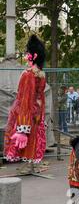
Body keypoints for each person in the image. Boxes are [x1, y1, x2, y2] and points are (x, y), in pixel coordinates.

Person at [4, 35, 47, 163]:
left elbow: (25, 101)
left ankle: (27, 164)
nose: (26, 55)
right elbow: (40, 99)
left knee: (25, 141)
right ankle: (30, 164)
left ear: (32, 56)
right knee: (33, 141)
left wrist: (22, 128)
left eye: (27, 53)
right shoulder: (40, 74)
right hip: (36, 113)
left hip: (26, 114)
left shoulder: (29, 75)